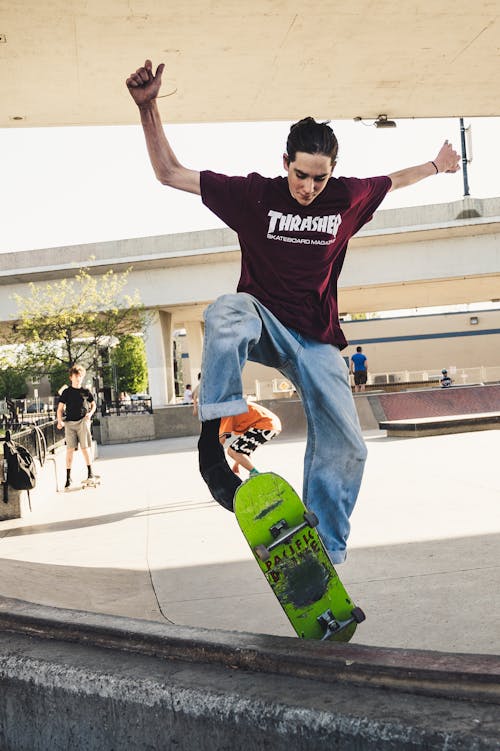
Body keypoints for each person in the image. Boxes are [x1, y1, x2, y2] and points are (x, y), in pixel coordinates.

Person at [126, 59, 460, 564]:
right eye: (301, 175)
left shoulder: (348, 196)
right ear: (286, 162)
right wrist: (148, 107)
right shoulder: (253, 195)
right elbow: (170, 173)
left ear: (333, 173)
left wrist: (438, 165)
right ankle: (217, 425)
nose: (308, 188)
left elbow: (395, 178)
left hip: (317, 340)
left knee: (348, 445)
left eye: (319, 179)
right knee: (226, 311)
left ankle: (320, 550)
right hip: (263, 321)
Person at [56, 364, 98, 489]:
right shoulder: (66, 392)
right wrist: (60, 421)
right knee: (69, 450)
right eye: (76, 376)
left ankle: (90, 473)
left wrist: (90, 414)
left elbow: (93, 405)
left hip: (82, 422)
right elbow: (59, 409)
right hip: (69, 424)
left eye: (80, 377)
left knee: (85, 448)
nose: (78, 379)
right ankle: (68, 478)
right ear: (71, 377)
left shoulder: (86, 392)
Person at [219, 402, 282, 477]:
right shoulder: (233, 405)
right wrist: (237, 464)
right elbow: (243, 449)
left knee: (232, 451)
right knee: (236, 450)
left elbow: (221, 440)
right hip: (272, 425)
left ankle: (256, 474)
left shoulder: (225, 411)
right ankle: (254, 473)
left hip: (265, 425)